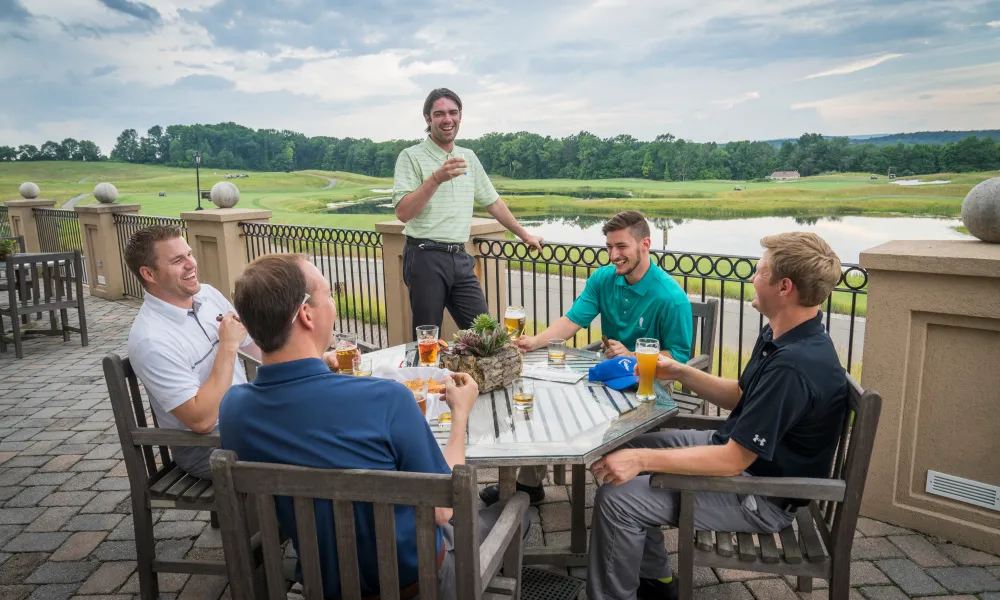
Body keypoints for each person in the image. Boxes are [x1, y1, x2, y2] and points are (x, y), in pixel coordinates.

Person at [219, 253, 528, 600]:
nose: (332, 306)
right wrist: (460, 416)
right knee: (517, 507)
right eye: (328, 296)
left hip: (323, 584)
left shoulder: (235, 410)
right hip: (418, 584)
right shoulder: (387, 400)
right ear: (306, 314)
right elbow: (443, 510)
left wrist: (316, 361)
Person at [586, 232, 849, 600]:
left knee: (618, 496)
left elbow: (732, 460)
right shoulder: (784, 335)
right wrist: (679, 370)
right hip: (737, 454)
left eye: (760, 272)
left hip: (760, 494)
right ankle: (655, 580)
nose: (752, 278)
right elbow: (741, 395)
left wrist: (641, 460)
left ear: (784, 286)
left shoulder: (795, 366)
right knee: (623, 445)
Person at [479, 210, 693, 507]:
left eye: (621, 247)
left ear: (645, 244)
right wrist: (534, 342)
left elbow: (679, 358)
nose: (614, 255)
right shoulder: (604, 279)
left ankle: (632, 498)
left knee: (580, 411)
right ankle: (529, 485)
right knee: (547, 398)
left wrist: (632, 357)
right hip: (606, 374)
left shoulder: (671, 298)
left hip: (651, 383)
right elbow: (572, 320)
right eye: (609, 247)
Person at [392, 87, 543, 334]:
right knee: (427, 339)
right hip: (425, 256)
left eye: (453, 112)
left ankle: (473, 374)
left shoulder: (468, 157)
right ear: (428, 119)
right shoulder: (410, 156)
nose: (447, 119)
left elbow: (492, 202)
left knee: (488, 335)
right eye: (439, 113)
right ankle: (420, 373)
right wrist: (436, 179)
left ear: (460, 116)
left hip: (460, 258)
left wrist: (524, 234)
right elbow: (403, 213)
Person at [124, 225, 261, 479]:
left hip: (246, 419)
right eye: (178, 260)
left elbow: (255, 346)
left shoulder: (207, 295)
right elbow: (201, 420)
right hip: (207, 447)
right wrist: (227, 347)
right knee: (309, 449)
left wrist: (315, 362)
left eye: (189, 254)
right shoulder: (151, 339)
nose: (191, 264)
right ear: (148, 273)